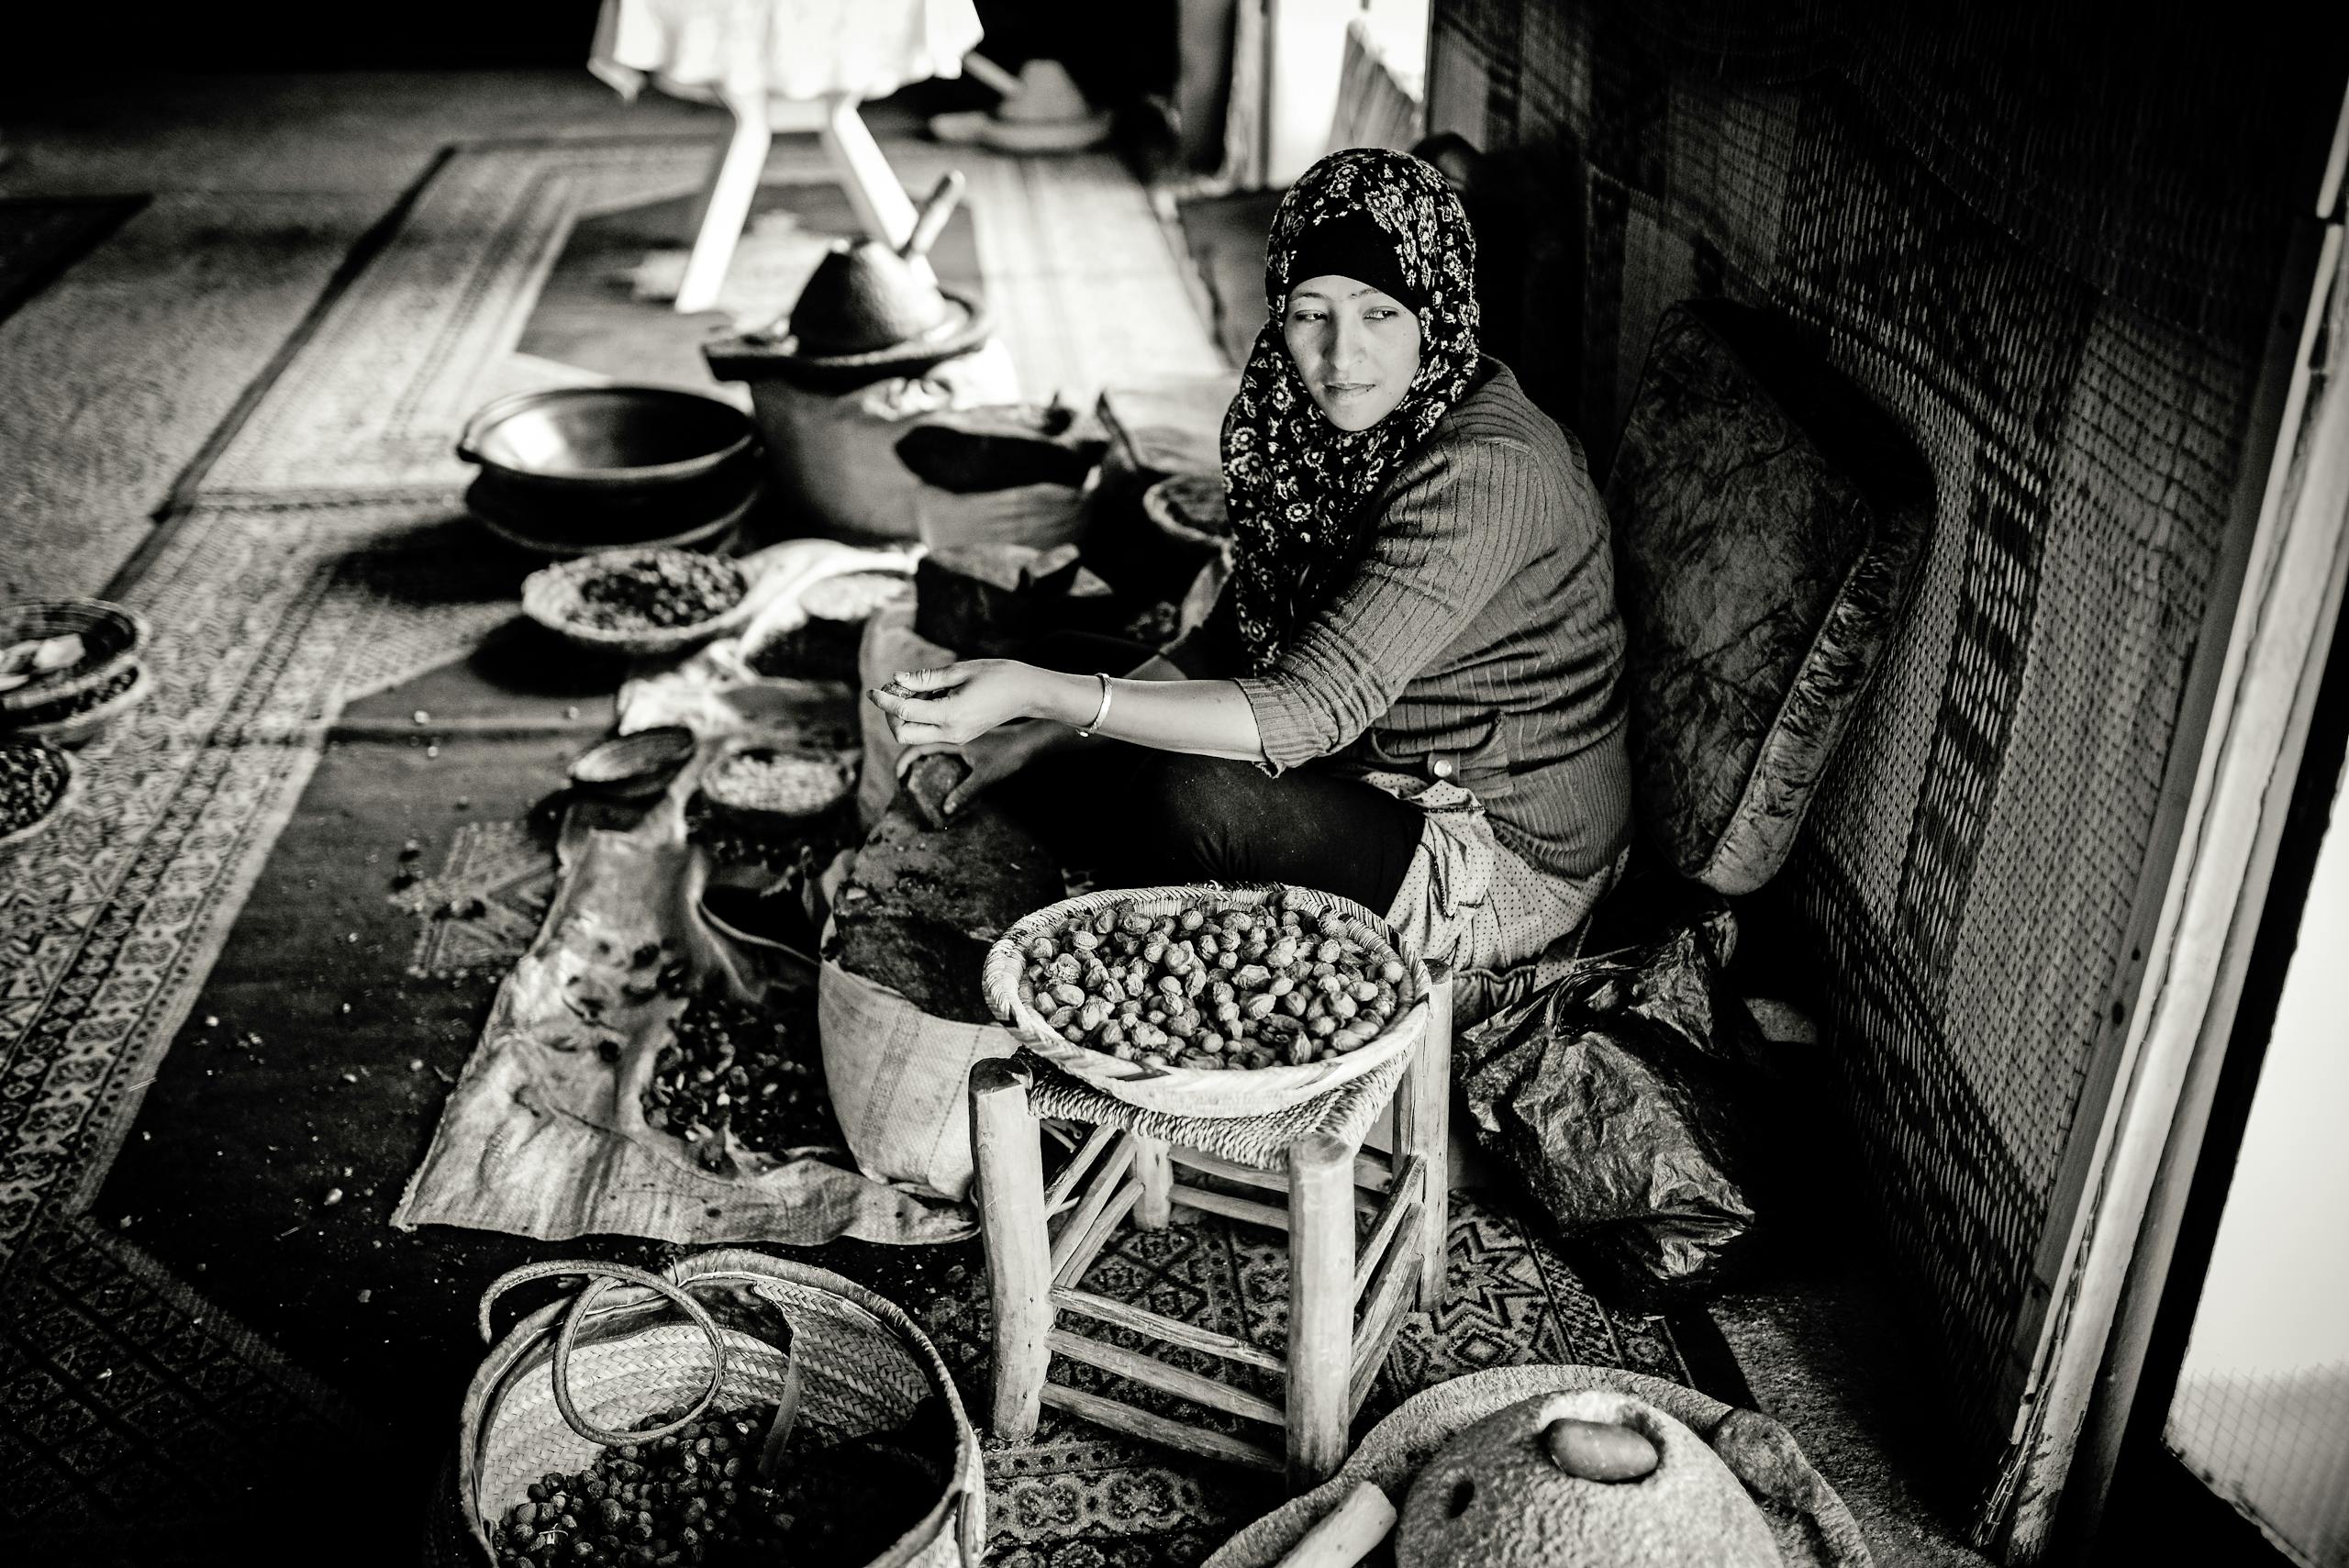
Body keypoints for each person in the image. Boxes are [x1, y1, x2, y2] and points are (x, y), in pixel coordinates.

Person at [870, 147, 1632, 1015]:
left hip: (1498, 846)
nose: (1342, 356)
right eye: (1312, 313)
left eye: (1381, 312)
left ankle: (1137, 946)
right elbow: (1226, 641)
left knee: (1185, 793)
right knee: (1068, 656)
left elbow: (1308, 708)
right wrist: (1033, 731)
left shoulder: (1485, 471)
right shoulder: (1315, 430)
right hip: (1374, 760)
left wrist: (1044, 699)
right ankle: (1122, 871)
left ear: (1438, 308)